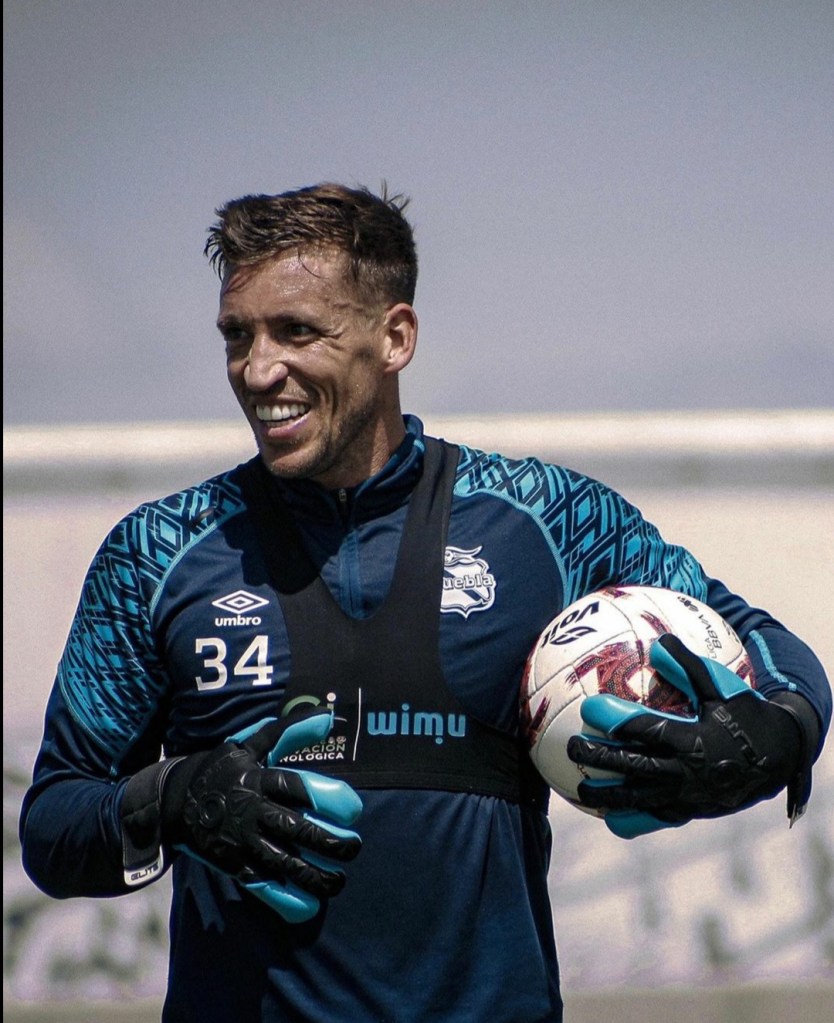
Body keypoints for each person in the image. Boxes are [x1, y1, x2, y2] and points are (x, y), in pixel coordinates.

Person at [19, 183, 831, 1023]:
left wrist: (775, 732)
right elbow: (52, 824)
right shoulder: (157, 552)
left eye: (297, 331)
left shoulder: (546, 522)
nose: (258, 369)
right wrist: (173, 799)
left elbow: (762, 645)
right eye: (237, 335)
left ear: (395, 337)